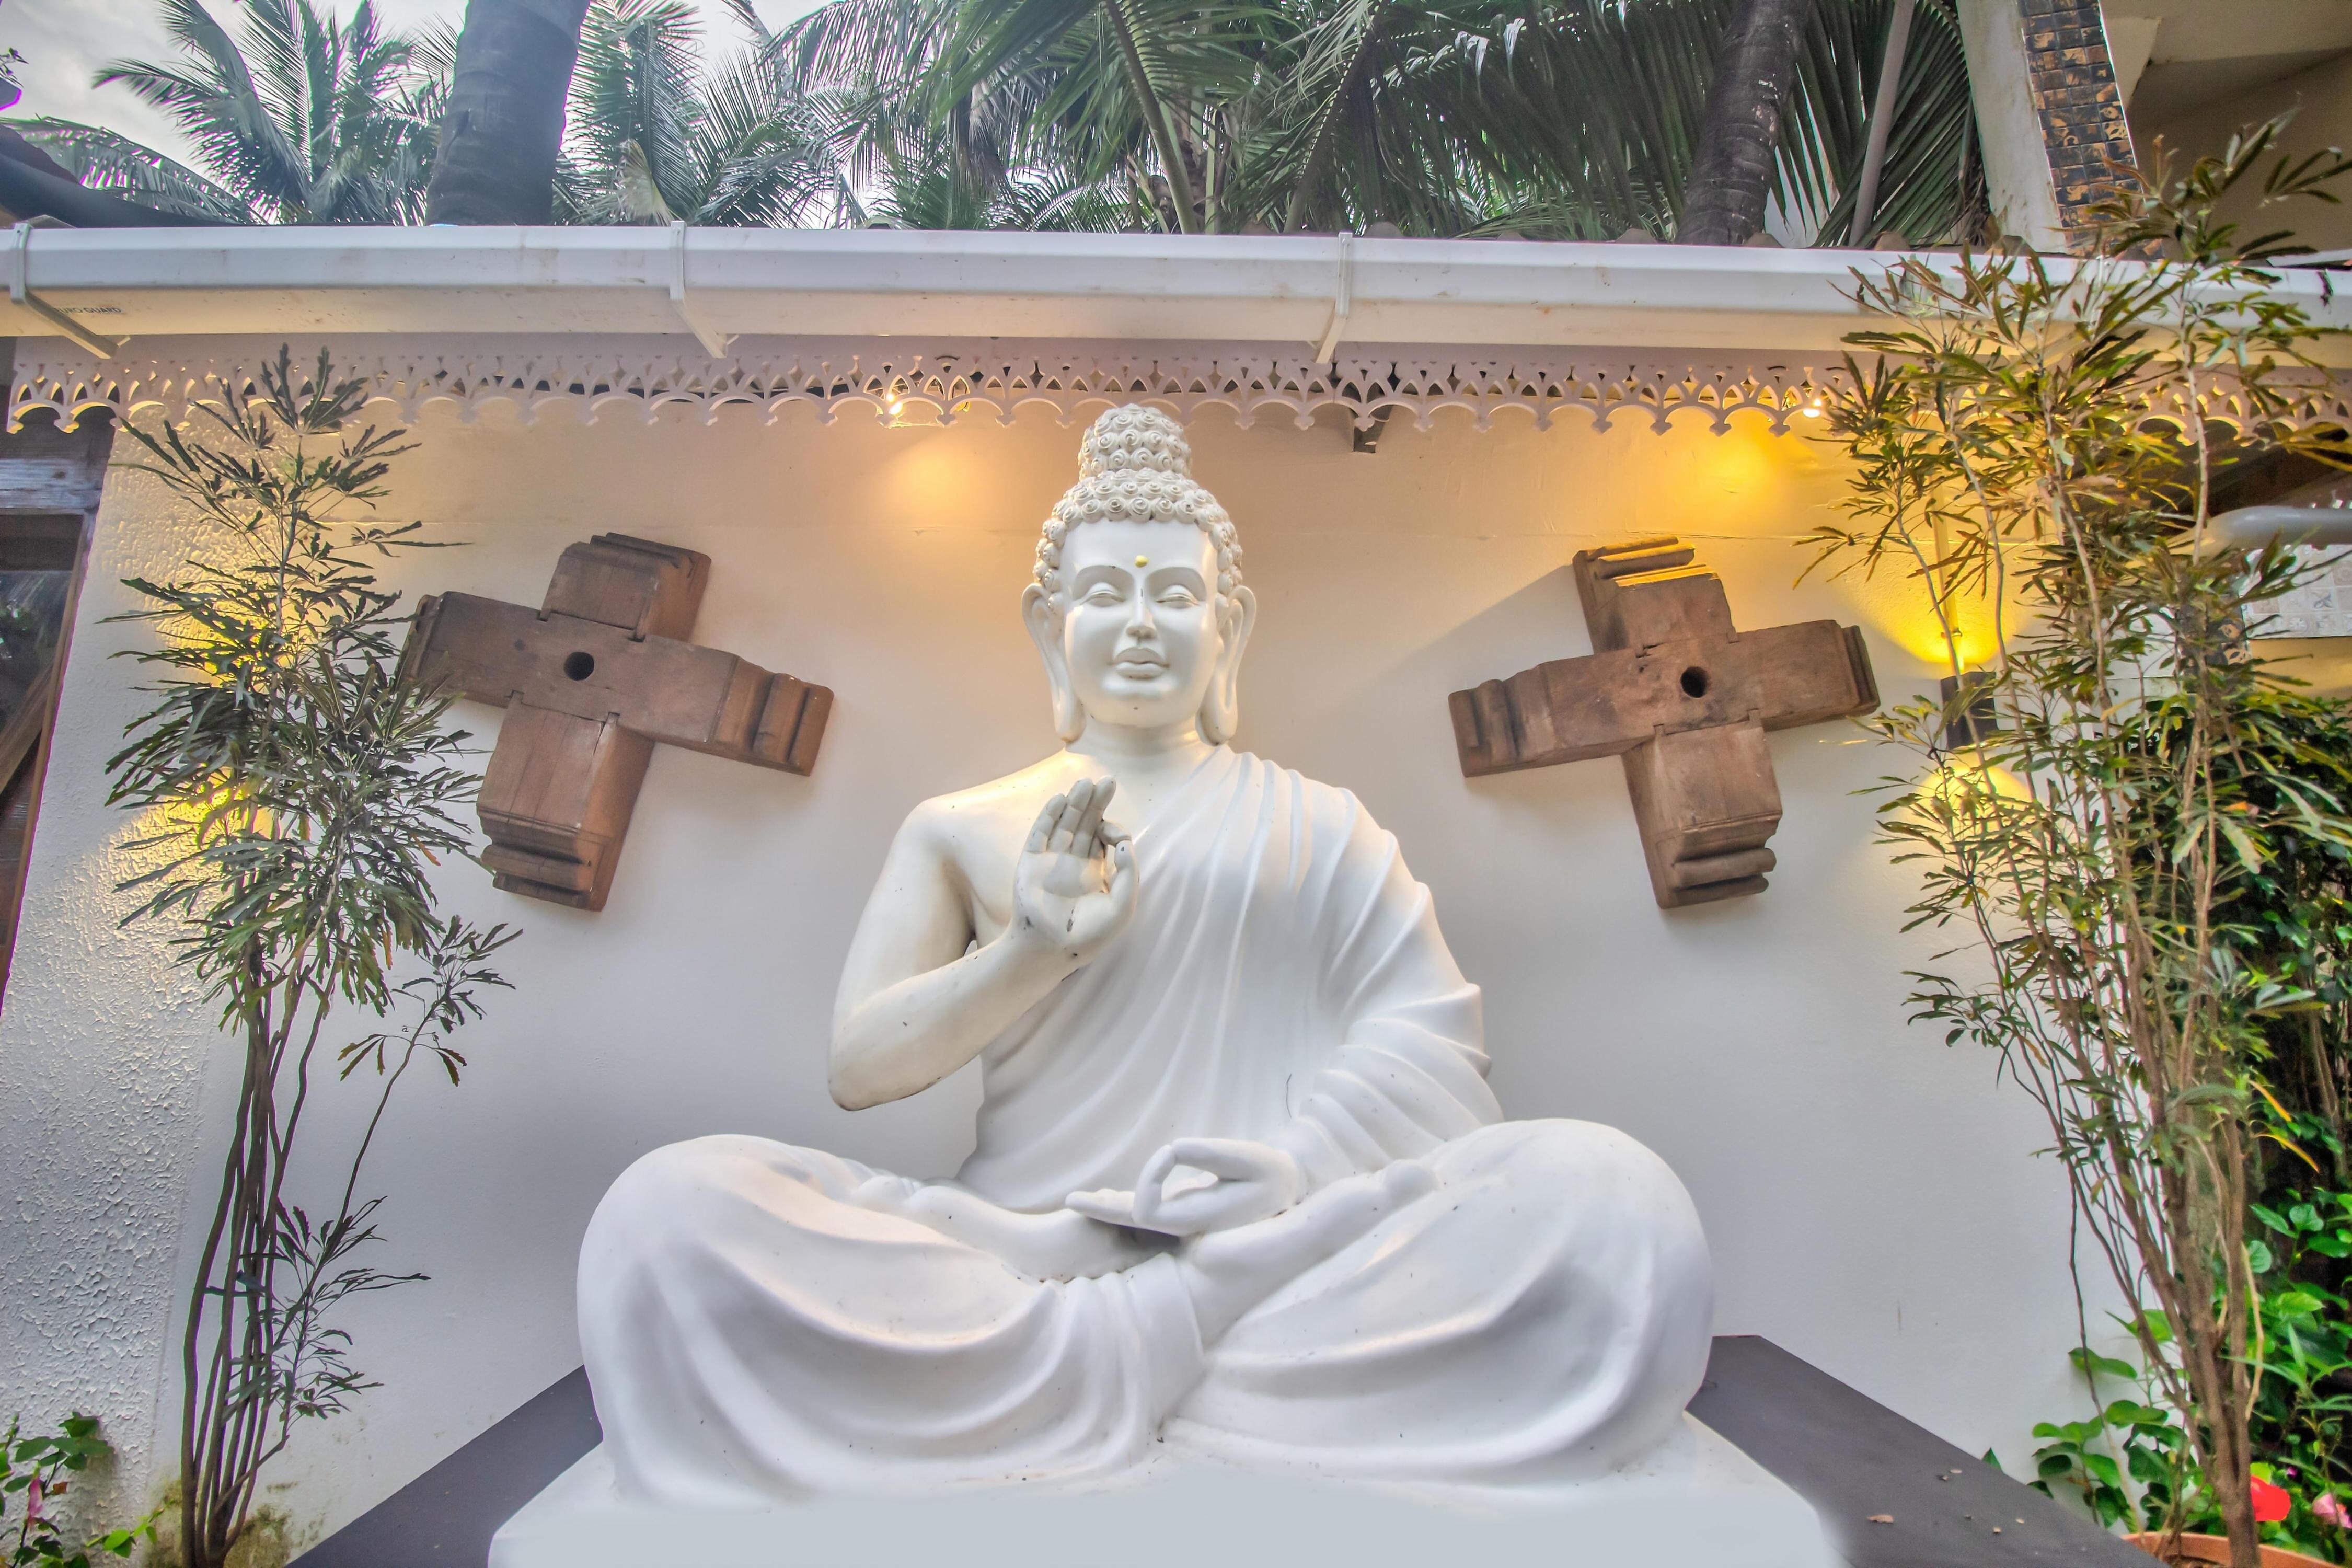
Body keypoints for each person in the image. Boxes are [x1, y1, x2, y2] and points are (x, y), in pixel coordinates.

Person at [577, 405, 1713, 1505]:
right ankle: (1193, 1359)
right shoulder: (960, 826)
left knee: (1615, 1203)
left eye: (1174, 595)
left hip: (1285, 1262)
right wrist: (1030, 952)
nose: (1137, 624)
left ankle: (1122, 1359)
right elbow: (860, 1066)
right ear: (1048, 625)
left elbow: (1436, 1056)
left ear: (1230, 628)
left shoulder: (1323, 825)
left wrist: (1294, 1173)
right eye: (1103, 594)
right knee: (666, 1218)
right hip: (1019, 1259)